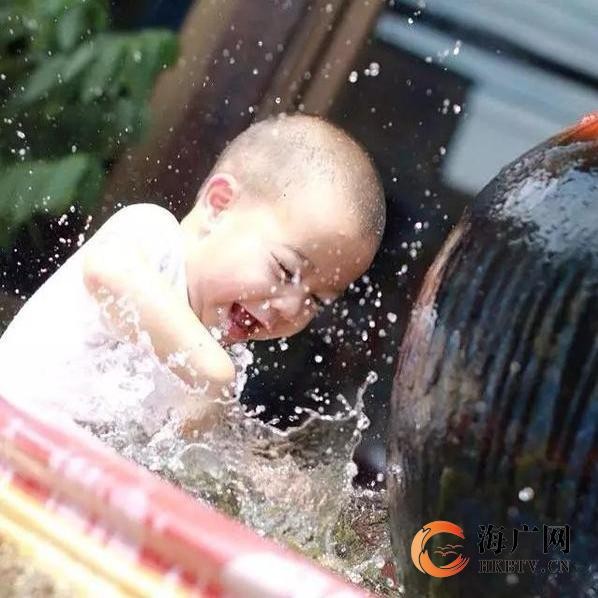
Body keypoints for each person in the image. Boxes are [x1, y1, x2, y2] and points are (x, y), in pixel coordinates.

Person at [0, 114, 386, 435]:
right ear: (219, 205)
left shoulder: (215, 356)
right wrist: (214, 374)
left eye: (316, 300)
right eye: (285, 270)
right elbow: (105, 269)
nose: (291, 307)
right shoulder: (152, 238)